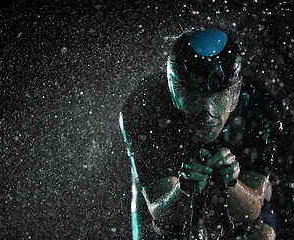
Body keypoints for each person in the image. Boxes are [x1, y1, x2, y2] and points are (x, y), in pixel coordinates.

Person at [119, 28, 282, 239]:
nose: (207, 115)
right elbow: (163, 214)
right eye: (193, 98)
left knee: (262, 234)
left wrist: (232, 183)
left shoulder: (260, 108)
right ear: (174, 92)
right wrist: (182, 191)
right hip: (166, 193)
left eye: (219, 98)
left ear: (234, 94)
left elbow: (251, 210)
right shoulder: (144, 108)